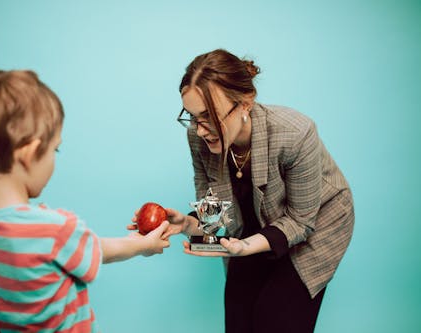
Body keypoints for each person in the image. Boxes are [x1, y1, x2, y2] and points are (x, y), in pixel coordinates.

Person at [133, 49, 355, 333]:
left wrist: (244, 247)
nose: (200, 130)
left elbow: (300, 221)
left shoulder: (296, 133)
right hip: (249, 226)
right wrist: (188, 224)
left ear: (245, 104)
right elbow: (214, 210)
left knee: (274, 318)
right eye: (192, 116)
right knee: (239, 318)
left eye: (209, 116)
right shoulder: (198, 137)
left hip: (316, 224)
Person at [0, 70, 170, 333]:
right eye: (55, 149)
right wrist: (142, 245)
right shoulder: (54, 228)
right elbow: (97, 250)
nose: (55, 158)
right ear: (30, 154)